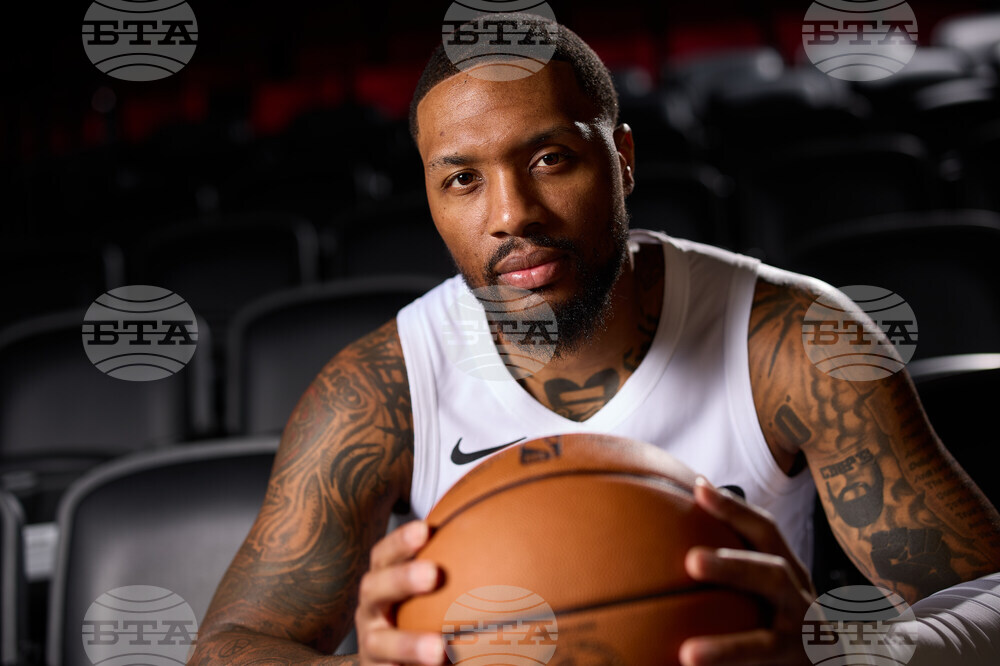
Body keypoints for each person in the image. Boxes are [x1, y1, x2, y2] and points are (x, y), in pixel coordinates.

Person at [189, 15, 1000, 666]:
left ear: (623, 159)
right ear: (431, 199)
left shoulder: (792, 340)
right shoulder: (380, 390)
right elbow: (226, 647)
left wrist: (840, 647)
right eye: (463, 179)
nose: (512, 214)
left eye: (550, 158)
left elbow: (989, 596)